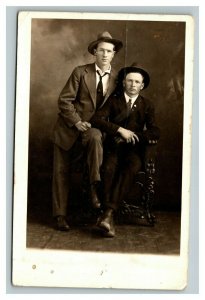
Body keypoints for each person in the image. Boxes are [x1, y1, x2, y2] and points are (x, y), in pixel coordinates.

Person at [52, 31, 123, 231]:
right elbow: (64, 101)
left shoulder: (119, 78)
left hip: (96, 131)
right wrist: (76, 122)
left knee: (95, 138)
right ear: (94, 52)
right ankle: (60, 216)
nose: (104, 54)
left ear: (114, 54)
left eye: (109, 51)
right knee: (61, 172)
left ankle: (94, 188)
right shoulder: (80, 72)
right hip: (69, 128)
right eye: (101, 50)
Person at [91, 63, 160, 237]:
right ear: (123, 82)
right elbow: (96, 119)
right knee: (108, 169)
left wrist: (135, 135)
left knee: (131, 168)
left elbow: (155, 131)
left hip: (134, 151)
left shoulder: (147, 104)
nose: (133, 85)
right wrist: (120, 130)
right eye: (129, 81)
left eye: (137, 82)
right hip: (113, 148)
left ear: (142, 85)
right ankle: (109, 215)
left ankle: (107, 214)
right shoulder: (114, 101)